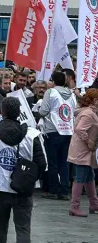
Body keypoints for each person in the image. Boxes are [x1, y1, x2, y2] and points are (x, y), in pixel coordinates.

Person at [0, 97, 47, 243]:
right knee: (23, 229)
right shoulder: (32, 135)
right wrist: (31, 180)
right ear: (19, 112)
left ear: (2, 112)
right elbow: (42, 163)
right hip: (23, 188)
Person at [38, 71, 76, 200]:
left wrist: (38, 109)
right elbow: (74, 110)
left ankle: (53, 190)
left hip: (53, 130)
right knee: (64, 162)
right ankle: (64, 191)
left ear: (53, 81)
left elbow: (43, 111)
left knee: (53, 161)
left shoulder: (51, 92)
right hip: (67, 131)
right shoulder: (71, 94)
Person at [67, 89, 98, 217]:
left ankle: (94, 204)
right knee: (80, 177)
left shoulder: (88, 112)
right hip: (82, 150)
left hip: (83, 149)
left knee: (89, 176)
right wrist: (90, 141)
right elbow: (79, 129)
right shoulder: (89, 114)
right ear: (95, 100)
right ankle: (75, 206)